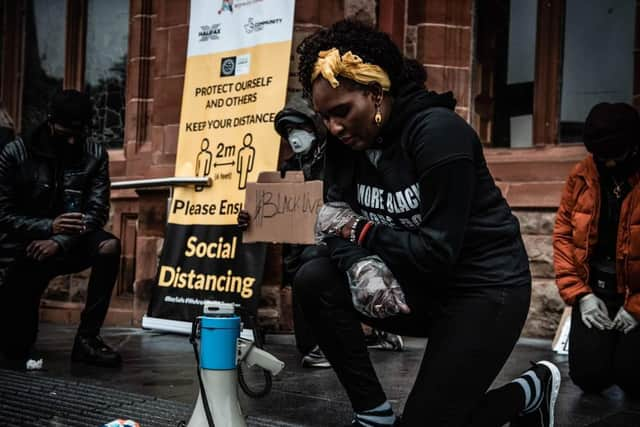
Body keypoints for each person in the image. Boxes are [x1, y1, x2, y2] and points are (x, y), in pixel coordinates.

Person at [292, 19, 560, 427]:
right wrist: (358, 264)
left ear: (376, 93)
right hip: (417, 285)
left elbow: (434, 251)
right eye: (324, 117)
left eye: (342, 112)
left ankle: (528, 392)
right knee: (314, 276)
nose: (333, 127)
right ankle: (373, 415)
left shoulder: (438, 134)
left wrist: (362, 233)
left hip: (484, 289)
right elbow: (332, 225)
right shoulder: (343, 147)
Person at [0, 89, 122, 368]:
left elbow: (97, 211)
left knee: (109, 245)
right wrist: (47, 227)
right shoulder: (16, 153)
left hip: (70, 242)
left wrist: (59, 239)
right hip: (27, 248)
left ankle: (87, 340)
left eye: (78, 134)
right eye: (66, 132)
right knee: (15, 347)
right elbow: (3, 214)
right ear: (50, 122)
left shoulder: (94, 154)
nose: (72, 140)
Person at [554, 102, 640, 396]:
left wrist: (637, 308)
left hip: (637, 290)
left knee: (633, 378)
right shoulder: (580, 176)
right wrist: (581, 295)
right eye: (602, 156)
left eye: (615, 155)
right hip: (597, 288)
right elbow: (563, 237)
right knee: (589, 376)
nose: (609, 163)